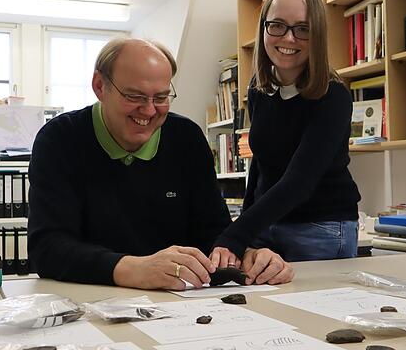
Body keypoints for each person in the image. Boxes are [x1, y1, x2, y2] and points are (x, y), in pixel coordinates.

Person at [27, 37, 294, 290]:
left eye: (161, 97)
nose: (149, 110)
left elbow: (213, 231)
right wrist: (134, 269)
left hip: (180, 305)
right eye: (135, 96)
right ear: (100, 86)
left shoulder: (186, 138)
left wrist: (246, 254)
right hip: (89, 301)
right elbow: (47, 248)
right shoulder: (59, 139)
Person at [211, 0, 361, 266]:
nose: (289, 39)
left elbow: (299, 182)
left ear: (317, 35)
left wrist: (234, 235)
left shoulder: (333, 95)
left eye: (302, 29)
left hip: (321, 228)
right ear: (264, 28)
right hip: (269, 226)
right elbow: (261, 163)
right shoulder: (259, 88)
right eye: (277, 25)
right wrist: (247, 226)